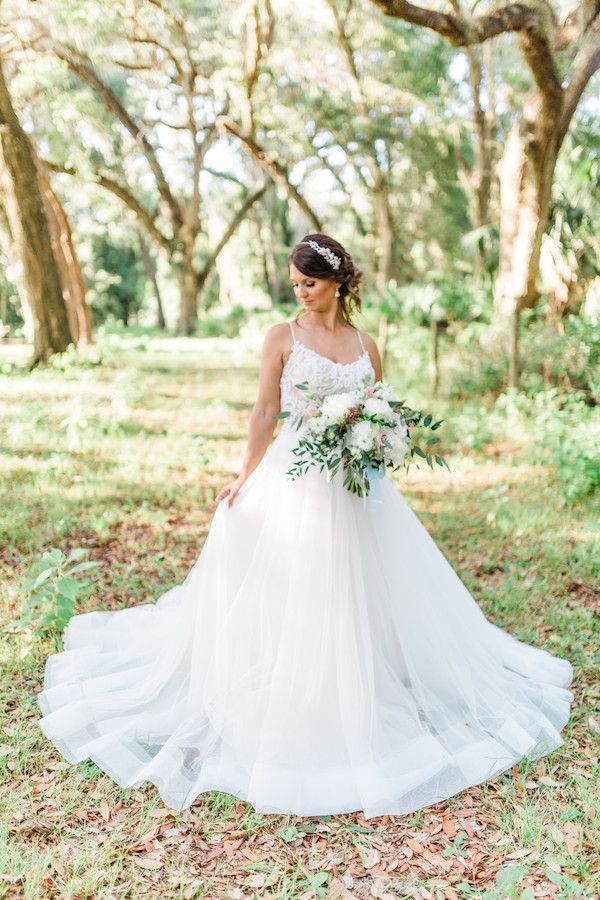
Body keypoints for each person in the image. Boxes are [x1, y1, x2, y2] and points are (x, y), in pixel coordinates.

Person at [36, 233, 574, 819]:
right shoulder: (282, 338)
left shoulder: (367, 343)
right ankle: (287, 683)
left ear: (338, 281)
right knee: (289, 582)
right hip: (293, 479)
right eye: (295, 284)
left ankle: (363, 683)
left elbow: (378, 407)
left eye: (310, 283)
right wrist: (243, 475)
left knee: (361, 584)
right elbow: (266, 410)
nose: (301, 293)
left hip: (356, 487)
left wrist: (376, 438)